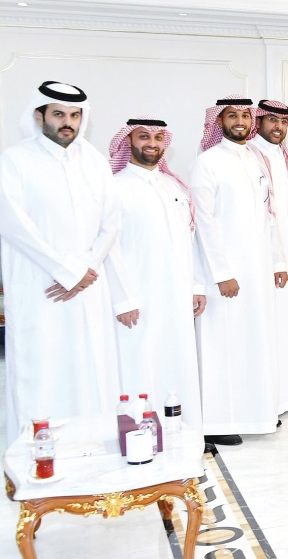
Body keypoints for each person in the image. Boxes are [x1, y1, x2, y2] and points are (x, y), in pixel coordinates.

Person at [0, 81, 121, 444]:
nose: (67, 122)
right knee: (42, 365)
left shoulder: (95, 161)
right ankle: (33, 452)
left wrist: (84, 270)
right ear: (40, 116)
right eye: (58, 114)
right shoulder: (16, 159)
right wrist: (65, 271)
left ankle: (92, 443)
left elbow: (110, 223)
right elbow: (14, 224)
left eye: (74, 115)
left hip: (87, 284)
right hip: (40, 285)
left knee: (92, 364)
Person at [192, 95, 287, 445]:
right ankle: (216, 422)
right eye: (232, 116)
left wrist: (277, 261)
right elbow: (204, 220)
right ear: (219, 122)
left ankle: (253, 412)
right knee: (223, 345)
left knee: (254, 341)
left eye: (246, 116)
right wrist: (221, 273)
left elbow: (269, 214)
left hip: (258, 268)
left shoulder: (255, 159)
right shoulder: (208, 162)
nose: (240, 122)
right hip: (227, 274)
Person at [107, 116, 204, 432]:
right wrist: (122, 299)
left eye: (159, 137)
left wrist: (195, 285)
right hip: (139, 298)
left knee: (179, 361)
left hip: (176, 295)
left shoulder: (174, 186)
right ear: (128, 142)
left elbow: (189, 240)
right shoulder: (114, 188)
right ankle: (141, 431)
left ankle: (184, 431)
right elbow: (109, 249)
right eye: (143, 136)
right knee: (141, 362)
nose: (152, 143)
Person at [252, 99, 288, 413]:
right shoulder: (251, 155)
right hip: (264, 256)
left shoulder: (287, 156)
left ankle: (285, 391)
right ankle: (267, 396)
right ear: (259, 121)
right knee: (266, 328)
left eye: (283, 122)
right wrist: (275, 258)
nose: (278, 127)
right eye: (272, 120)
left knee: (286, 326)